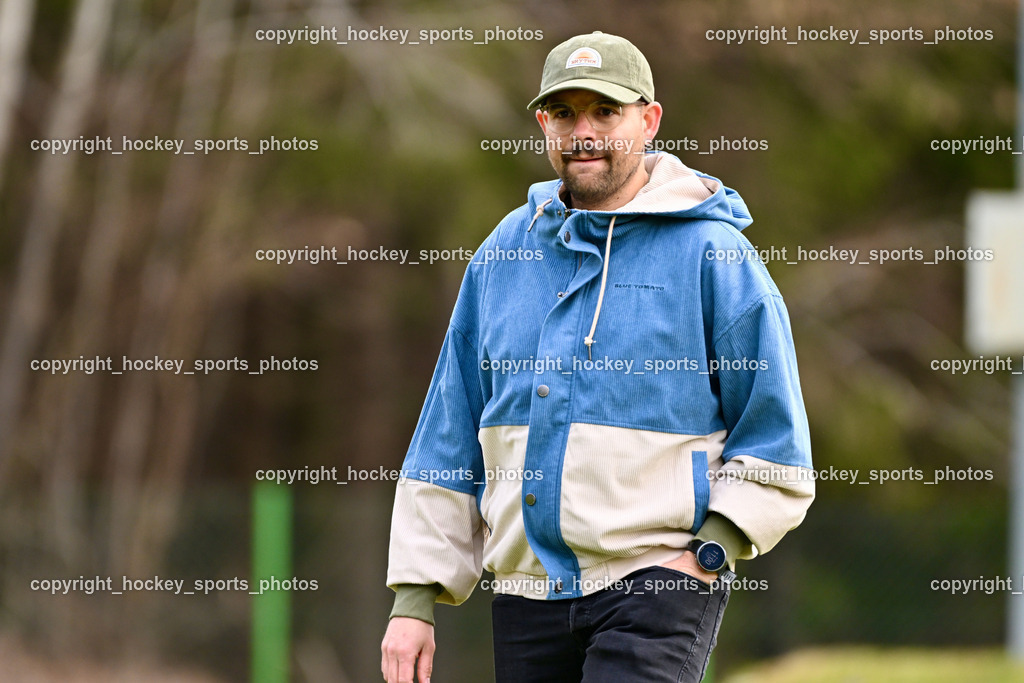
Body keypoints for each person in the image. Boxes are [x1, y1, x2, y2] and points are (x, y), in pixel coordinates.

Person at [381, 31, 814, 683]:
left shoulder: (714, 256)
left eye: (605, 112)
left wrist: (709, 553)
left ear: (649, 119)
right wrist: (414, 598)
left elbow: (777, 443)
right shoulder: (505, 252)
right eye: (565, 113)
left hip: (658, 587)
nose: (584, 131)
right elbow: (449, 430)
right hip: (526, 597)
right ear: (544, 124)